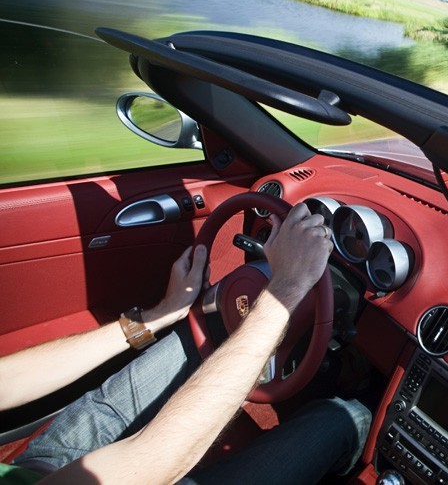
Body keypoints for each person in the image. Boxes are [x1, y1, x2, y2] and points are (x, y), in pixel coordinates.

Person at [0, 203, 371, 484]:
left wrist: (158, 315)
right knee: (342, 417)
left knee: (200, 337)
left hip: (35, 471)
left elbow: (8, 380)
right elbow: (151, 460)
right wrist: (287, 288)